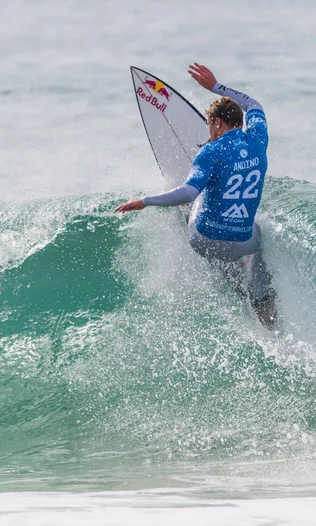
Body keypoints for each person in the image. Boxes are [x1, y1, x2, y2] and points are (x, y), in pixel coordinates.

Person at [116, 63, 277, 328]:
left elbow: (189, 191)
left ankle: (231, 276)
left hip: (204, 241)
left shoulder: (210, 153)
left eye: (210, 126)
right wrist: (215, 86)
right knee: (258, 235)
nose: (209, 132)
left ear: (218, 122)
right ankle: (264, 309)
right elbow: (254, 104)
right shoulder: (259, 138)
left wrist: (144, 201)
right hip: (242, 243)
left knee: (199, 196)